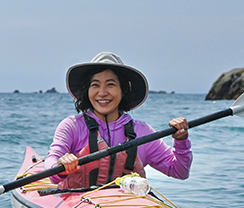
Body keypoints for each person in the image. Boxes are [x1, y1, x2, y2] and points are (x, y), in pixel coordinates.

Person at [45, 52, 192, 189]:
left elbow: (180, 172)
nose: (102, 93)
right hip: (76, 207)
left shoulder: (142, 131)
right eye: (95, 85)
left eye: (110, 84)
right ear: (87, 91)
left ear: (123, 91)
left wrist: (181, 141)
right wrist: (62, 165)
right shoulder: (72, 126)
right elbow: (52, 167)